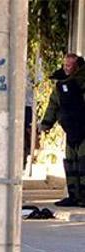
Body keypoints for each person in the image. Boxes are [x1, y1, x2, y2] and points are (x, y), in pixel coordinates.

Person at [40, 53, 85, 207]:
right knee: (71, 164)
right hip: (71, 130)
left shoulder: (82, 82)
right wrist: (46, 124)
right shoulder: (60, 86)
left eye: (69, 66)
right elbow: (53, 105)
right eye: (65, 65)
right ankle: (74, 196)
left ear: (77, 67)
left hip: (83, 129)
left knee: (82, 163)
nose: (66, 68)